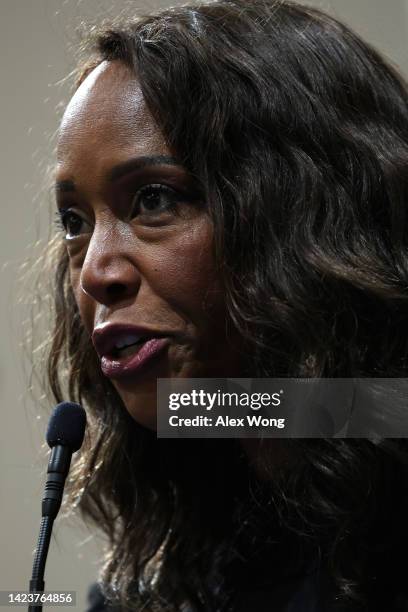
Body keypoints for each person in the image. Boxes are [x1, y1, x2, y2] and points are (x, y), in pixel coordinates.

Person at [45, 0, 408, 609]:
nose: (97, 273)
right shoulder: (165, 581)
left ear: (305, 209)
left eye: (155, 199)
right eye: (75, 221)